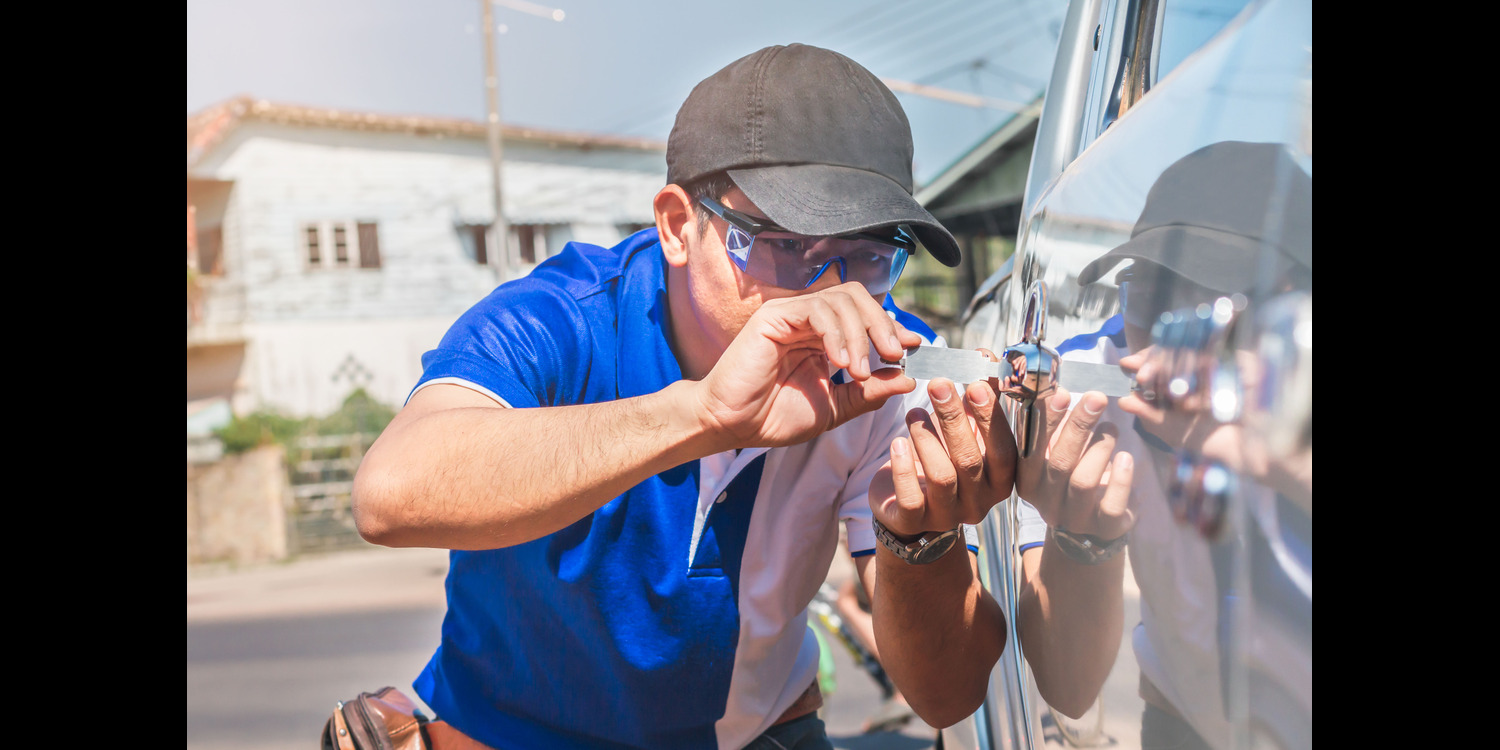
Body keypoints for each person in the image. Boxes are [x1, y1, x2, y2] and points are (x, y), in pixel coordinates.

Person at [352, 43, 1098, 750]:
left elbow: (945, 694)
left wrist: (918, 539)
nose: (830, 292)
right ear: (678, 225)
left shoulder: (887, 374)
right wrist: (701, 415)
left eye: (869, 255)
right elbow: (391, 495)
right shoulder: (564, 319)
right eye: (784, 245)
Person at [904, 140, 1310, 749]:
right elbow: (1067, 688)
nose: (1163, 343)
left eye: (1213, 308)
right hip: (1182, 720)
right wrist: (1079, 538)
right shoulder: (1080, 390)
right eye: (1148, 296)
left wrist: (1289, 465)